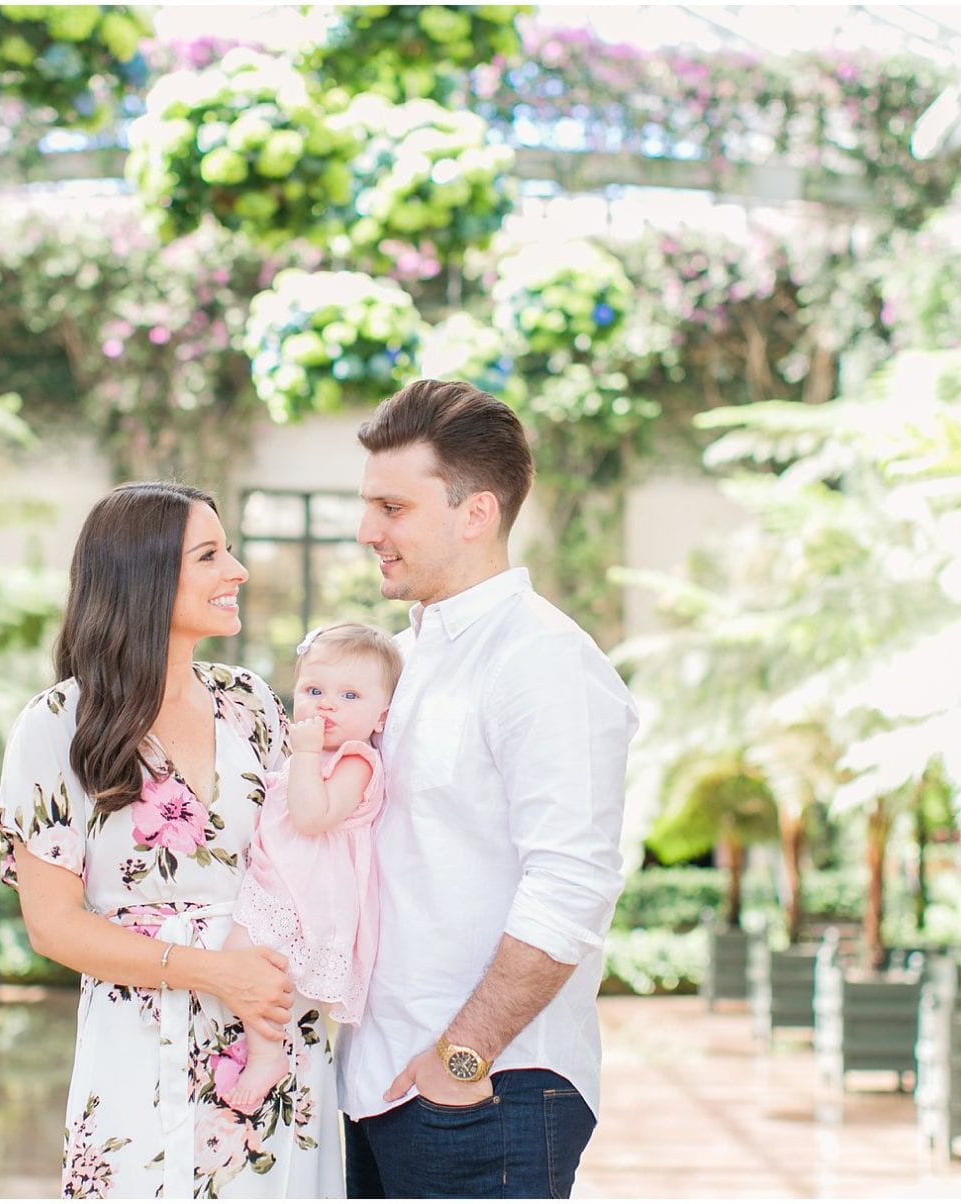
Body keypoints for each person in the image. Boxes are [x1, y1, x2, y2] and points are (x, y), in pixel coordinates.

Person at [0, 482, 342, 1200]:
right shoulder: (57, 725)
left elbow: (313, 855)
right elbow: (52, 926)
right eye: (210, 555)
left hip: (274, 1041)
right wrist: (213, 973)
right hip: (140, 1048)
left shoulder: (250, 704)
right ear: (145, 578)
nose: (237, 571)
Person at [339, 379, 639, 1199]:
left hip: (487, 1091)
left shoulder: (543, 662)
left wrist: (460, 1058)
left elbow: (572, 883)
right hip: (382, 1086)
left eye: (392, 508)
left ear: (475, 514)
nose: (368, 531)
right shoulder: (415, 655)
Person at [221, 621, 401, 1111]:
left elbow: (312, 815)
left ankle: (266, 1055)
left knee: (247, 961)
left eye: (349, 696)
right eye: (314, 690)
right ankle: (265, 1049)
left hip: (310, 894)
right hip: (279, 880)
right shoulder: (306, 755)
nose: (326, 705)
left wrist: (301, 755)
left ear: (380, 717)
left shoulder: (355, 761)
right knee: (247, 964)